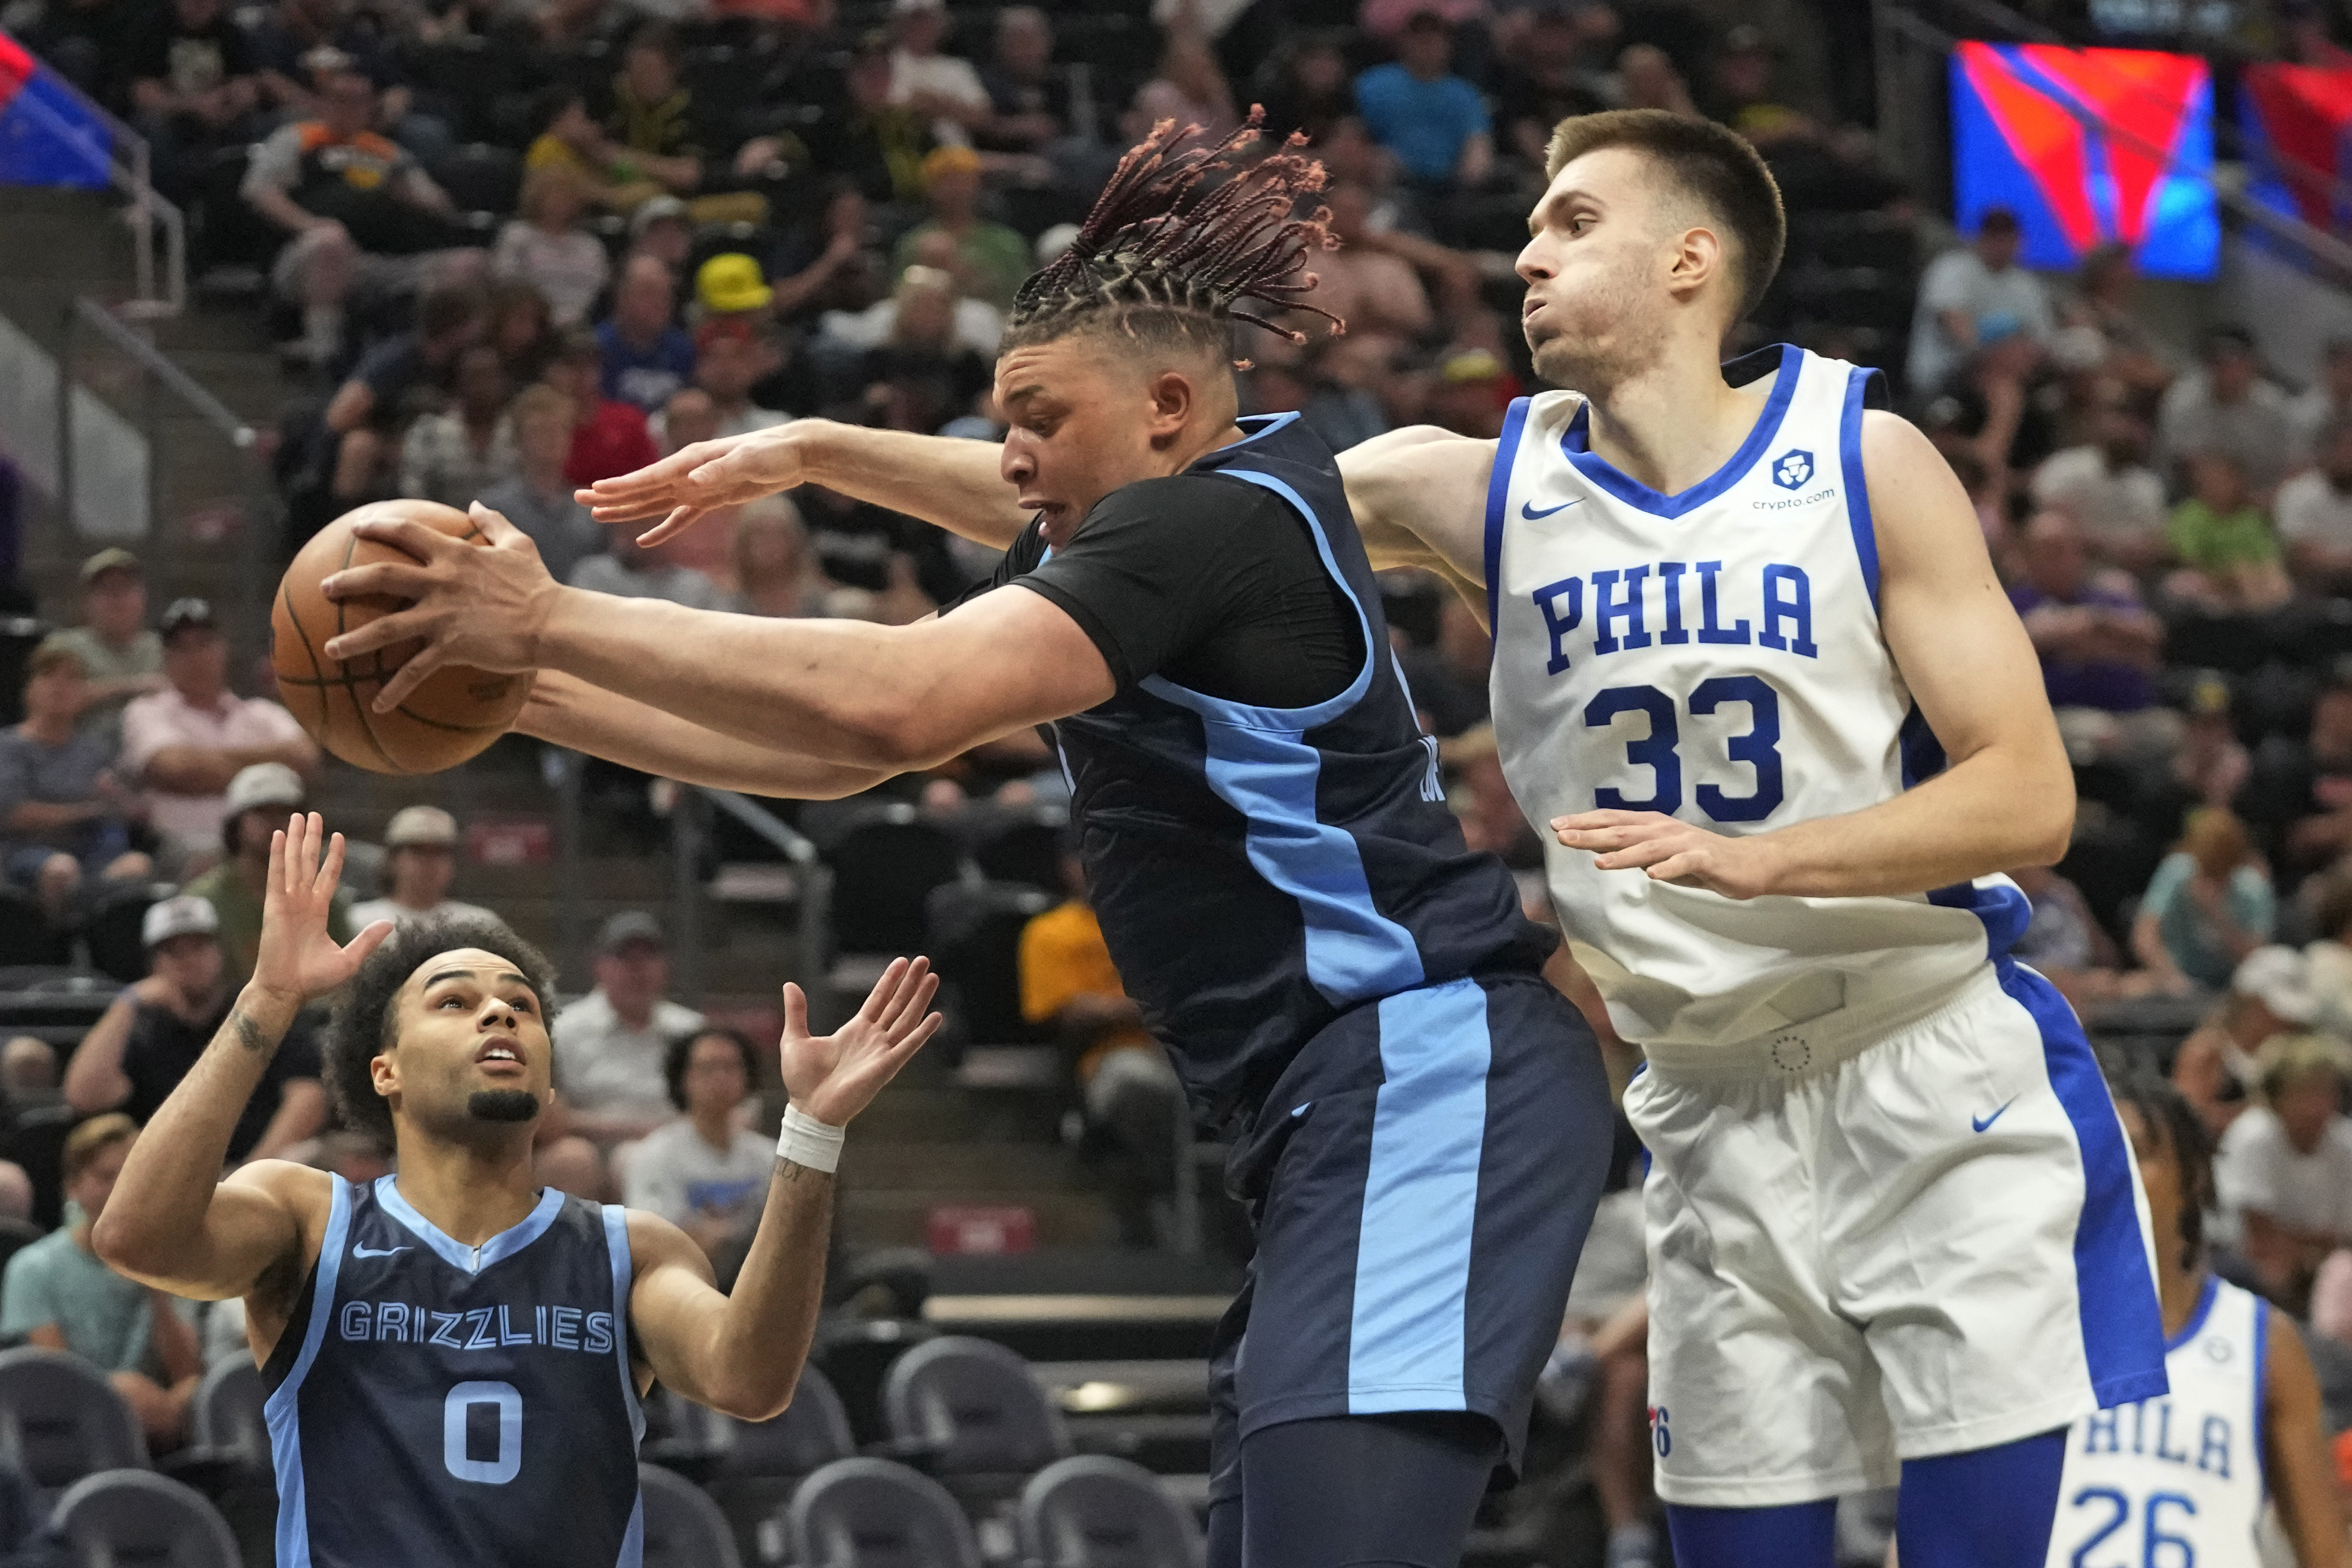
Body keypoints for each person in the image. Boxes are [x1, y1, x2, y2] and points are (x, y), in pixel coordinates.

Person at [326, 114, 1613, 1567]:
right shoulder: (1196, 504)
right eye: (997, 421)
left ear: (1170, 408)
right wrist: (531, 697)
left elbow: (900, 704)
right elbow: (819, 756)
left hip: (1419, 1070)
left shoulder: (1201, 537)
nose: (1005, 460)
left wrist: (551, 616)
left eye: (1034, 420)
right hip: (1331, 1107)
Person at [91, 812, 942, 1563]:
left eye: (522, 1005)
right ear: (382, 1069)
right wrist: (270, 997)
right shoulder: (309, 1218)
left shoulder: (631, 1250)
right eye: (454, 1001)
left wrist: (812, 1131)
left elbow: (751, 1381)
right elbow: (136, 1237)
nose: (500, 1014)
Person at [2036, 1078, 2347, 1568]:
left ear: (2194, 1176)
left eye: (2137, 1152)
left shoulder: (2261, 1341)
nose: (2109, 1169)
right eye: (2091, 1151)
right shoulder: (2023, 1329)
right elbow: (1943, 1516)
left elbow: (2325, 1554)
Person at [242, 63, 478, 370]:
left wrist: (411, 196)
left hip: (381, 262)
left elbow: (441, 206)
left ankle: (433, 358)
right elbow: (258, 190)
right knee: (331, 242)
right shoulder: (298, 139)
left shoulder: (387, 152)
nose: (349, 109)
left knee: (469, 263)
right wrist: (310, 225)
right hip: (309, 258)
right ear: (323, 103)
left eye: (359, 102)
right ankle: (323, 356)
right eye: (339, 100)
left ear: (371, 108)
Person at [62, 894, 328, 1166]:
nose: (188, 960)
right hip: (166, 1180)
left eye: (199, 946)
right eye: (173, 951)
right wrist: (126, 1004)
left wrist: (249, 1175)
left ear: (220, 952)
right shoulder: (143, 1028)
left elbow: (307, 1100)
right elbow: (85, 1098)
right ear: (154, 964)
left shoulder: (263, 1010)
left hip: (264, 1171)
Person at [0, 1116, 202, 1447]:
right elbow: (57, 1381)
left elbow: (187, 1375)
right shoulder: (32, 1268)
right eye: (107, 1177)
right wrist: (123, 1398)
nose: (124, 1188)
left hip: (164, 1431)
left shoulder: (173, 1266)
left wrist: (156, 1289)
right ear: (73, 1187)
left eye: (136, 1175)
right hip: (73, 1439)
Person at [1019, 843, 1180, 1248]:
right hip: (1106, 1058)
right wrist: (1138, 1009)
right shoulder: (1049, 931)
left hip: (1176, 1052)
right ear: (1069, 868)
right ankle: (1164, 1192)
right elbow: (1068, 1015)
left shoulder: (1149, 925)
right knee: (1136, 1082)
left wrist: (1114, 1007)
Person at [120, 598, 319, 865]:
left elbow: (305, 759)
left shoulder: (263, 713)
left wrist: (205, 766)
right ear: (167, 658)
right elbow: (176, 770)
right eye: (182, 648)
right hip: (182, 850)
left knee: (354, 862)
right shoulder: (146, 712)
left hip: (272, 849)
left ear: (222, 649)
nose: (196, 657)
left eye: (204, 644)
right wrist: (268, 773)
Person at [2005, 511, 2174, 767]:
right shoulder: (2015, 603)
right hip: (2058, 718)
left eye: (2073, 549)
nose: (2067, 559)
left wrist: (2096, 622)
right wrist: (2108, 641)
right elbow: (2029, 636)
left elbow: (2152, 635)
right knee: (2099, 736)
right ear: (2029, 557)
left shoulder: (2103, 597)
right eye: (2054, 551)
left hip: (2133, 714)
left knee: (2173, 732)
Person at [0, 641, 151, 919]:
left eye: (71, 678)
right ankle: (56, 951)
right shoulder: (9, 747)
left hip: (94, 857)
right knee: (62, 870)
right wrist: (89, 810)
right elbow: (14, 814)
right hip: (25, 855)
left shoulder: (95, 751)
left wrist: (119, 797)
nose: (60, 686)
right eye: (48, 676)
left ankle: (103, 953)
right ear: (28, 690)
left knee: (136, 864)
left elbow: (136, 814)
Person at [184, 763, 356, 986]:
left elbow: (345, 974)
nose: (274, 823)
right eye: (261, 812)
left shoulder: (323, 895)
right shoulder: (203, 898)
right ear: (236, 824)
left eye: (284, 813)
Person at [2215, 1032, 2352, 1308]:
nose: (2318, 1105)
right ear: (2277, 1095)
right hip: (2239, 1262)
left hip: (2324, 1263)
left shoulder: (2345, 1142)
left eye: (2326, 1091)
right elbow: (2261, 1239)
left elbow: (2344, 1237)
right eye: (2305, 1092)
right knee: (2275, 1271)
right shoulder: (2253, 1136)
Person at [619, 1027, 773, 1264]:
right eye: (707, 1068)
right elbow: (653, 1244)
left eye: (731, 1067)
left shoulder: (770, 1157)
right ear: (682, 1079)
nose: (720, 1078)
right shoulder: (653, 1156)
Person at [551, 912, 706, 1147]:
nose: (638, 969)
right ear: (599, 966)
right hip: (596, 1152)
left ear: (666, 966)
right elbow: (548, 1116)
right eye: (625, 958)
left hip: (682, 1151)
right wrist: (640, 1133)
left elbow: (742, 1111)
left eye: (649, 957)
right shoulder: (562, 1032)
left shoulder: (695, 1032)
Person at [1905, 208, 2056, 401]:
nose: (2000, 244)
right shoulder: (1952, 268)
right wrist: (1998, 355)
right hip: (1948, 371)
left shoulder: (2026, 284)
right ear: (1981, 237)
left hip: (2015, 371)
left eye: (2006, 237)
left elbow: (2042, 343)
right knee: (2002, 386)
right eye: (1994, 236)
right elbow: (1957, 328)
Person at [2174, 945, 2315, 1139]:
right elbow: (2186, 1122)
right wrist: (2269, 1112)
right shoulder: (2208, 1052)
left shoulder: (2292, 1053)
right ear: (2247, 1001)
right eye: (2273, 1010)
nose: (2285, 1022)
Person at [2132, 809, 2276, 994]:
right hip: (2176, 982)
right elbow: (2144, 936)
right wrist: (2172, 978)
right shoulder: (2177, 872)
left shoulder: (2253, 889)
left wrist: (2216, 915)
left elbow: (2259, 959)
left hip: (2232, 989)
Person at [476, 386, 605, 587]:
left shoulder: (591, 508)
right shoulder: (493, 508)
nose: (550, 439)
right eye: (539, 430)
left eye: (558, 429)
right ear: (518, 440)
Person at [1352, 11, 1491, 194]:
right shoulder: (1373, 84)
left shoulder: (1464, 94)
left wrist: (1473, 171)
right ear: (1404, 42)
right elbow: (1353, 133)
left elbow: (1478, 141)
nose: (1427, 46)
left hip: (1449, 186)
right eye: (1420, 39)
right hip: (1391, 184)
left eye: (1434, 39)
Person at [2157, 326, 2297, 498]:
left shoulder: (2275, 405)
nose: (2225, 371)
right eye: (2217, 362)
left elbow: (2294, 463)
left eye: (2234, 362)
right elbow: (2188, 464)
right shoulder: (2182, 401)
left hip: (2266, 495)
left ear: (2252, 365)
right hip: (2201, 495)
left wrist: (2270, 497)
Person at [2027, 406, 2168, 576]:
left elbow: (2157, 539)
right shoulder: (2069, 467)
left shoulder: (2148, 485)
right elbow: (2049, 519)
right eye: (2119, 424)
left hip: (2130, 573)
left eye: (2132, 427)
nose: (2124, 433)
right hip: (2075, 566)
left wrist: (2140, 551)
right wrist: (2103, 545)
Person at [891, 146, 1032, 313]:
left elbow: (1021, 297)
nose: (957, 189)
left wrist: (968, 276)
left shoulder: (1006, 242)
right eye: (946, 181)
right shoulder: (914, 243)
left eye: (964, 180)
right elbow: (896, 297)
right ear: (929, 189)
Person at [48, 548, 166, 740]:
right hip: (81, 748)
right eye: (105, 590)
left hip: (155, 748)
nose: (117, 599)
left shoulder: (166, 648)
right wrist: (134, 686)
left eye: (126, 588)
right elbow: (55, 701)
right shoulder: (64, 647)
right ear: (86, 602)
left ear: (143, 599)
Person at [2165, 450, 2290, 613]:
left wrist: (2249, 573)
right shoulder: (2188, 516)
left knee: (2272, 578)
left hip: (2250, 579)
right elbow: (2190, 559)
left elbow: (2268, 557)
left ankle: (2269, 620)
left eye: (2225, 480)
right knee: (2184, 583)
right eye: (2211, 479)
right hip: (2208, 579)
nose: (2218, 485)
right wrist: (2227, 576)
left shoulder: (2250, 519)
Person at [395, 343, 511, 510]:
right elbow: (414, 493)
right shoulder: (429, 433)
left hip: (507, 529)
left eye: (489, 377)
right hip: (440, 526)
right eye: (475, 377)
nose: (482, 386)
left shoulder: (519, 434)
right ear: (459, 382)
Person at [492, 165, 610, 329]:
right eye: (554, 194)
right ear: (537, 197)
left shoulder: (591, 245)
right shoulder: (517, 235)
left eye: (568, 196)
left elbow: (602, 292)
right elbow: (507, 283)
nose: (561, 201)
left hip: (582, 326)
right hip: (532, 325)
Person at [348, 806, 493, 930]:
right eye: (417, 851)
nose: (428, 862)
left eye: (439, 852)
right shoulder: (357, 922)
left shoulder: (479, 925)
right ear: (392, 860)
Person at [598, 256, 696, 414]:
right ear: (621, 297)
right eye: (648, 293)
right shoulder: (598, 348)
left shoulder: (683, 350)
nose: (659, 302)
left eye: (666, 294)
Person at [2276, 416, 2352, 594]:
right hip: (2311, 592)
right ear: (2326, 451)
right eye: (2343, 447)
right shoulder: (2297, 493)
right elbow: (2301, 557)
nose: (2348, 456)